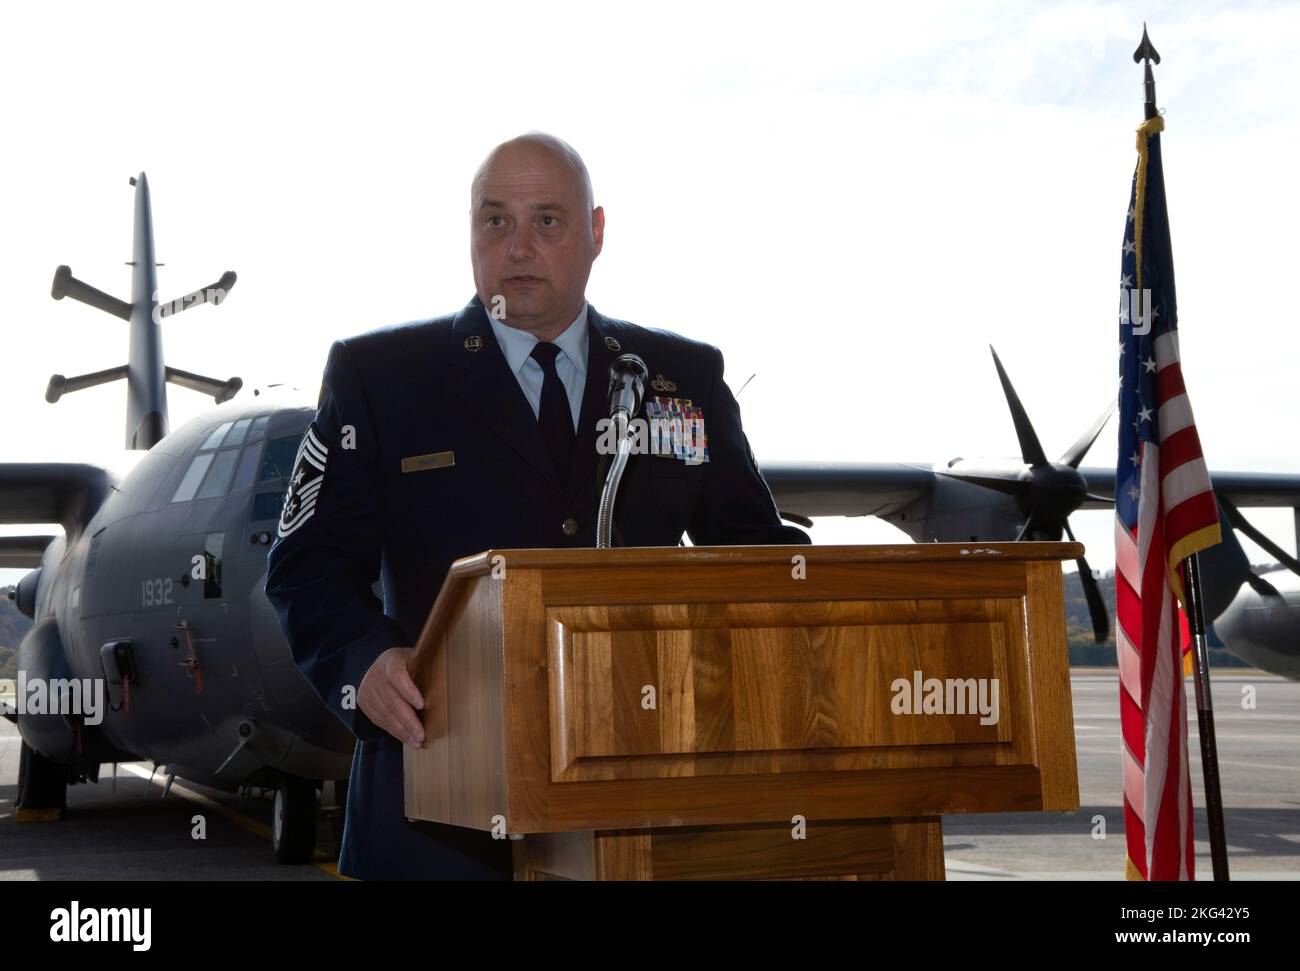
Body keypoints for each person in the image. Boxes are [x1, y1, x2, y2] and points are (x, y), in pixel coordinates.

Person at [264, 132, 809, 880]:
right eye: (496, 221)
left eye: (547, 220)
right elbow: (306, 566)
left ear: (595, 232)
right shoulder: (381, 379)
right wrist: (363, 660)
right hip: (432, 816)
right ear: (469, 234)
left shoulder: (679, 378)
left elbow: (753, 555)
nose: (518, 246)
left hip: (639, 811)